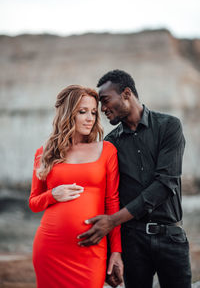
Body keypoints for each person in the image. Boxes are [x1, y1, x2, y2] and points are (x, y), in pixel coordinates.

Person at [78, 70, 192, 288]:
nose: (102, 109)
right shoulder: (110, 144)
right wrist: (113, 254)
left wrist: (112, 221)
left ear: (126, 93)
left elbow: (165, 183)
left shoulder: (169, 126)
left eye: (105, 100)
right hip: (132, 242)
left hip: (171, 237)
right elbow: (110, 198)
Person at [29, 85, 123, 288]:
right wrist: (52, 195)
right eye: (82, 112)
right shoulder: (44, 153)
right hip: (50, 248)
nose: (90, 118)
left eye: (93, 112)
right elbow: (34, 203)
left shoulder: (106, 150)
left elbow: (112, 202)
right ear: (68, 113)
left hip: (91, 250)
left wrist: (116, 252)